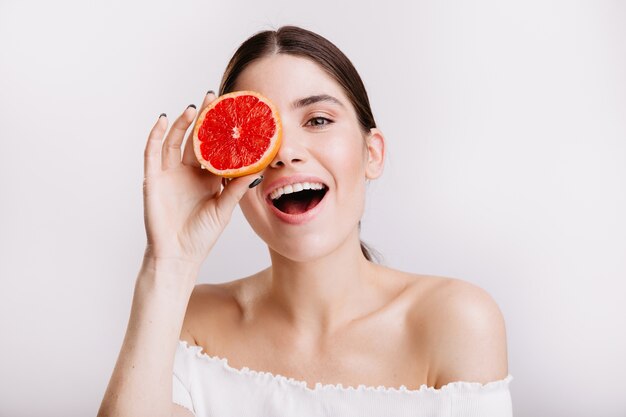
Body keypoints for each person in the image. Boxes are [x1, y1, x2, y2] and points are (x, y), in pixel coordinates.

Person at [97, 26, 512, 417]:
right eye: (260, 133)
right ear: (227, 172)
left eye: (317, 120)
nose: (285, 152)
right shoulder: (190, 323)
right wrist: (169, 264)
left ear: (374, 153)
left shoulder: (456, 320)